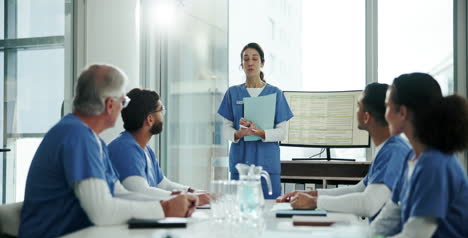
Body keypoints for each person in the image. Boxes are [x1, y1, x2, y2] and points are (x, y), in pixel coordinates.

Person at [18, 64, 198, 238]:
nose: (123, 109)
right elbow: (102, 211)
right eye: (123, 102)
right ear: (110, 104)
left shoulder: (92, 139)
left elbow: (120, 193)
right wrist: (165, 209)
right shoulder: (77, 136)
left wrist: (167, 203)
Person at [370, 72, 468, 238]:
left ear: (403, 113)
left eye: (388, 106)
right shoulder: (412, 158)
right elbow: (391, 216)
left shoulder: (435, 165)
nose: (385, 114)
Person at [277, 83, 411, 221]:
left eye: (358, 106)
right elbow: (358, 190)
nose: (356, 111)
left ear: (366, 117)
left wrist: (314, 202)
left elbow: (368, 204)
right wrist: (311, 194)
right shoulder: (388, 148)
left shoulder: (394, 152)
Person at [217, 43, 293, 199]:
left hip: (267, 165)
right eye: (246, 59)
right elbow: (225, 129)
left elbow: (282, 132)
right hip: (241, 164)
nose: (250, 63)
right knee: (240, 209)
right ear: (242, 65)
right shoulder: (233, 93)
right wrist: (238, 134)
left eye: (254, 58)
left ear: (262, 63)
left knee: (269, 210)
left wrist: (261, 133)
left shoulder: (275, 94)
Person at [108, 88, 210, 205]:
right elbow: (139, 192)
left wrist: (195, 193)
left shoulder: (145, 149)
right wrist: (189, 198)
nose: (163, 116)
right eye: (161, 110)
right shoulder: (125, 149)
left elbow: (164, 184)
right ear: (150, 119)